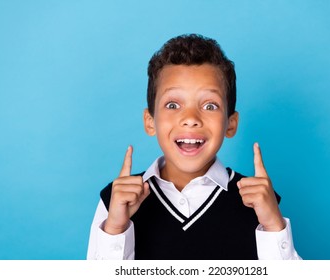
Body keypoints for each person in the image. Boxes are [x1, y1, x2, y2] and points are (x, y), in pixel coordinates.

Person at [87, 34, 301, 260]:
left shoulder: (260, 202)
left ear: (231, 124)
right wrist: (115, 231)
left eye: (210, 105)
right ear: (150, 122)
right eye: (172, 105)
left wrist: (274, 226)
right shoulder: (116, 201)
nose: (190, 118)